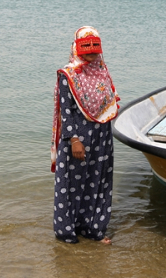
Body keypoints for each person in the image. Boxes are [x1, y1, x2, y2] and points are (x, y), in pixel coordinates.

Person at [51, 26, 119, 245]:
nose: (91, 53)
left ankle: (94, 228)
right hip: (78, 136)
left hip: (101, 135)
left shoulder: (102, 70)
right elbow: (66, 110)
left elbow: (108, 102)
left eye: (94, 47)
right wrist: (74, 140)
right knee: (71, 183)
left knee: (98, 180)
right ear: (76, 48)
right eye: (85, 48)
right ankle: (67, 232)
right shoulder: (68, 75)